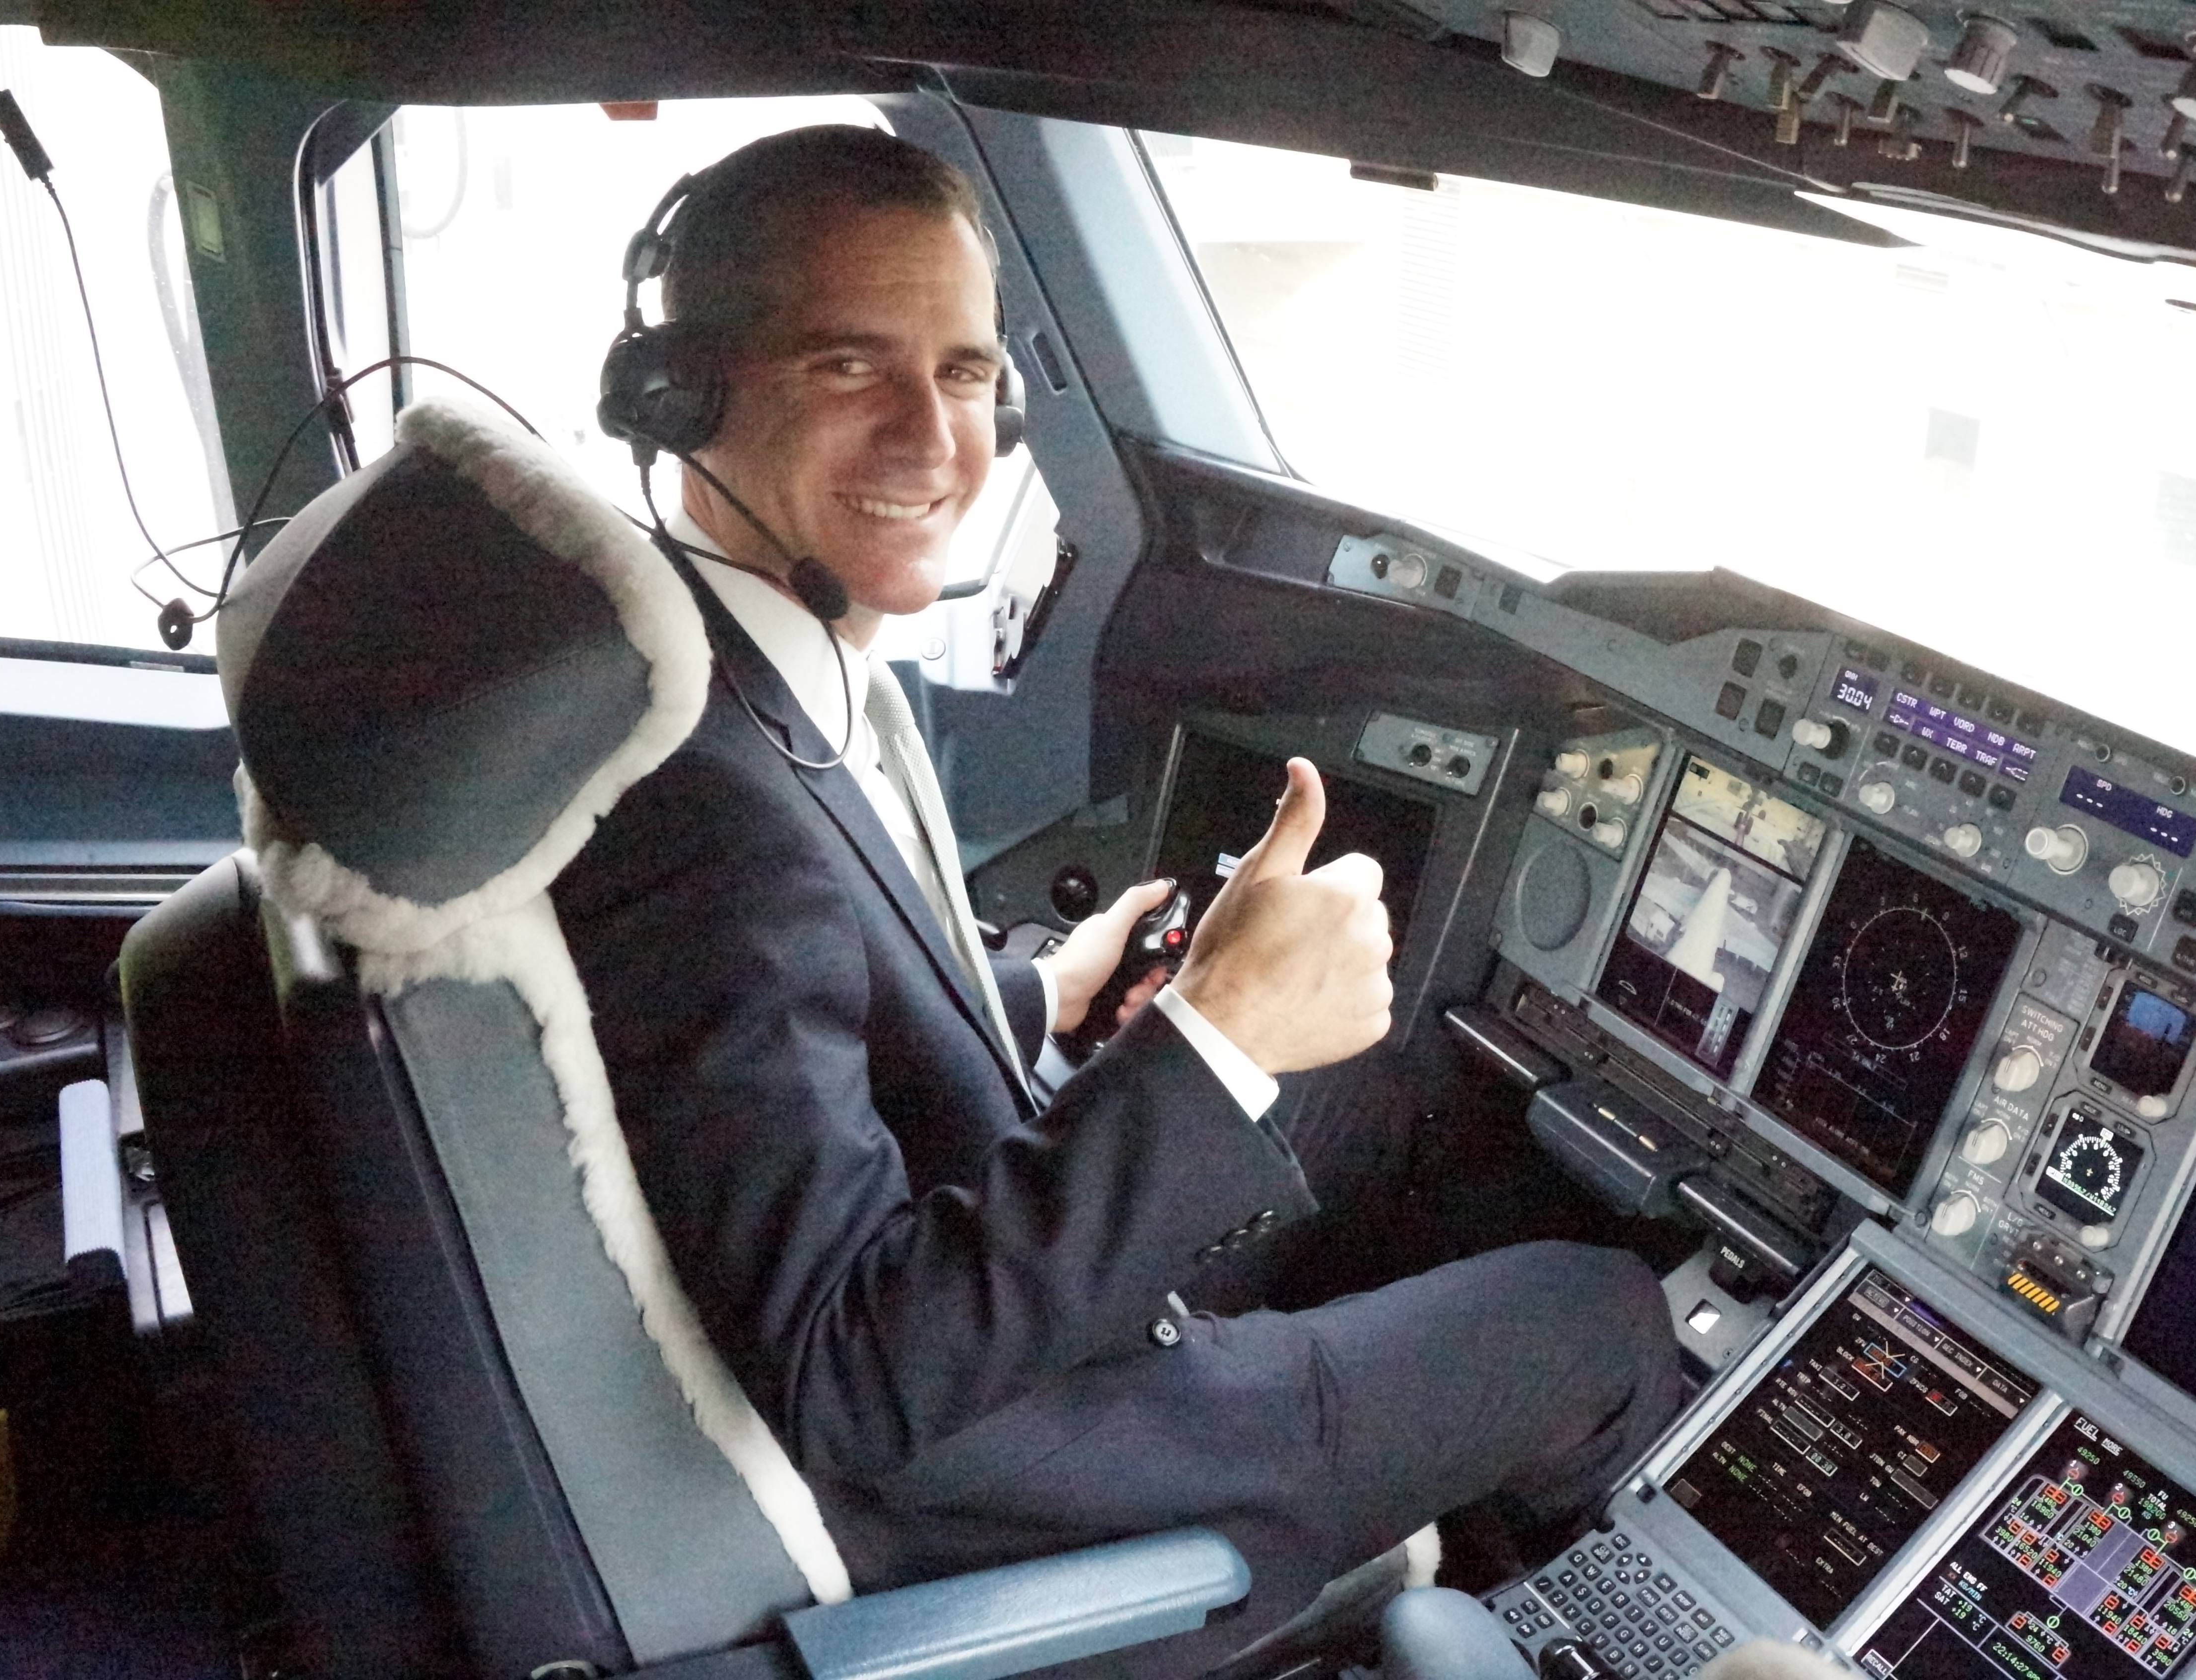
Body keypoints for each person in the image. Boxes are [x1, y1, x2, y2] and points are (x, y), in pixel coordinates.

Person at [549, 124, 1680, 1672]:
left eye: (961, 375)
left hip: (981, 1315)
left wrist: (1038, 996)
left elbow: (767, 1063)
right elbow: (852, 1374)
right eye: (844, 366)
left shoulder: (724, 678)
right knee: (1599, 1314)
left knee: (1402, 1089)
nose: (933, 441)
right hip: (1003, 1469)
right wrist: (1212, 1037)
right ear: (680, 394)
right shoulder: (706, 820)